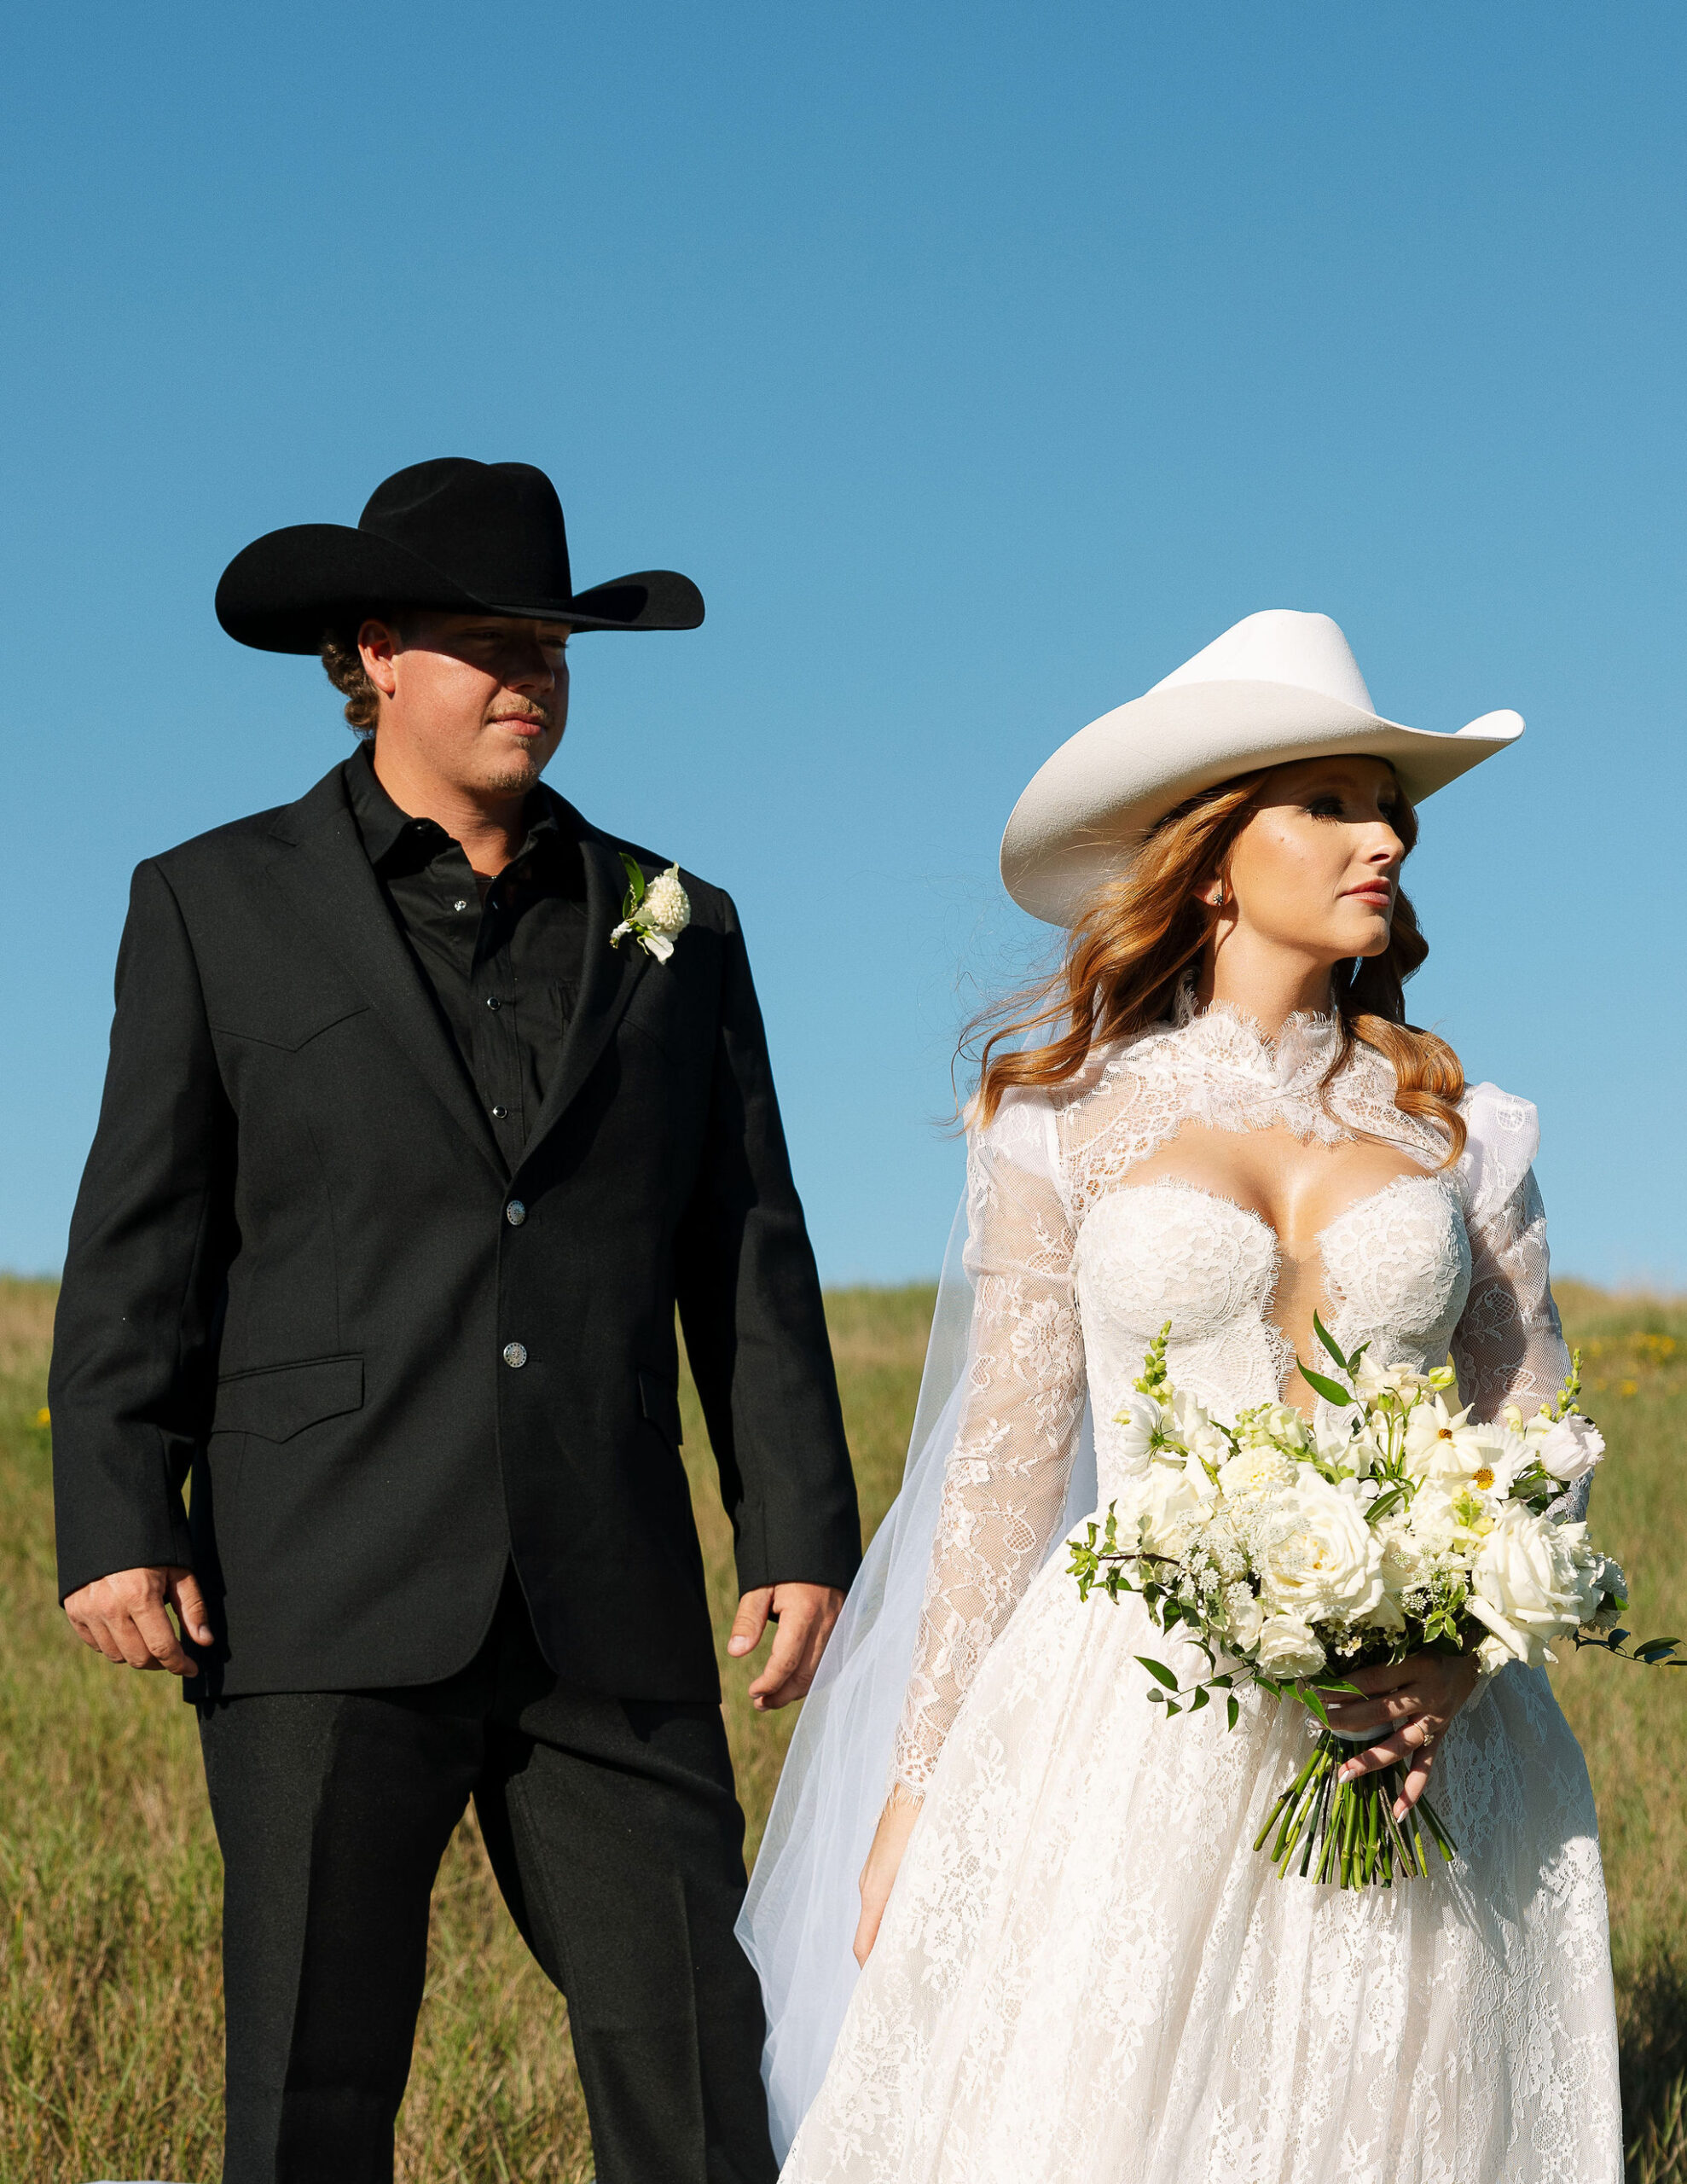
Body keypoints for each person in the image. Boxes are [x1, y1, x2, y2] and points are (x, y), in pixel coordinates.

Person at [49, 456, 862, 2184]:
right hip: (316, 1571)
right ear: (374, 655)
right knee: (312, 2074)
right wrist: (118, 1514)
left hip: (609, 1591)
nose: (531, 680)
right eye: (488, 644)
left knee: (705, 2062)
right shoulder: (212, 903)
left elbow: (747, 1249)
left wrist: (792, 1526)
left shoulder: (676, 924)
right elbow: (145, 1233)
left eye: (555, 650)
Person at [740, 609, 1620, 2183]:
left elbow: (1530, 1423)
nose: (1383, 841)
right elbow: (1006, 1472)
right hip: (1133, 1703)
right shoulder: (1056, 1118)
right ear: (1214, 856)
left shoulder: (1461, 1129)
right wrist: (916, 1795)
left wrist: (1452, 1663)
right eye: (1335, 804)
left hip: (1416, 1721)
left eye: (1390, 811)